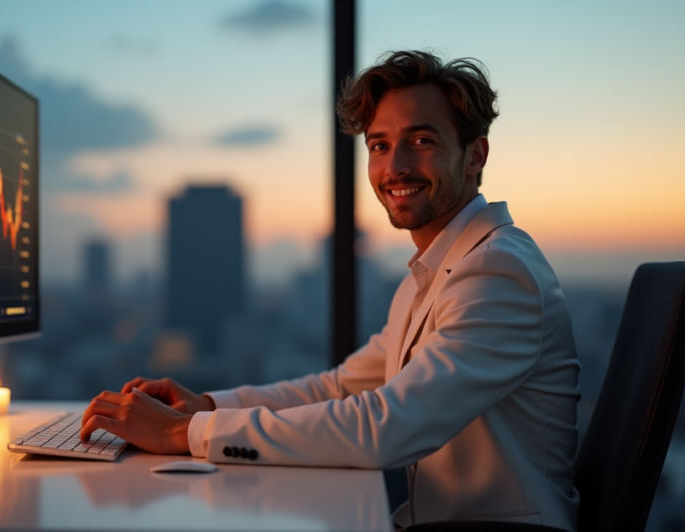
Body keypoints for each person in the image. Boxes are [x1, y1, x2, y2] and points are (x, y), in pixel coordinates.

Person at [81, 50, 581, 531]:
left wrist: (179, 433)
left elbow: (389, 429)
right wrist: (207, 407)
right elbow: (340, 388)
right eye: (379, 145)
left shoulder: (496, 273)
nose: (395, 166)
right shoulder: (435, 271)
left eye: (422, 140)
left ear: (476, 154)